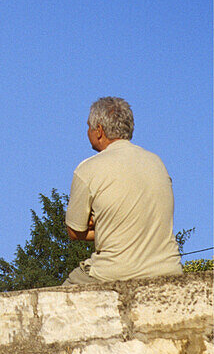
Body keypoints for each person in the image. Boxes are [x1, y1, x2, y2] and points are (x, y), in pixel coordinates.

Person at [64, 97, 183, 285]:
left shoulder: (88, 169)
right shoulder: (157, 163)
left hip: (114, 272)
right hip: (167, 269)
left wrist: (102, 223)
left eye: (89, 126)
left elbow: (74, 231)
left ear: (99, 130)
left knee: (63, 297)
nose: (87, 131)